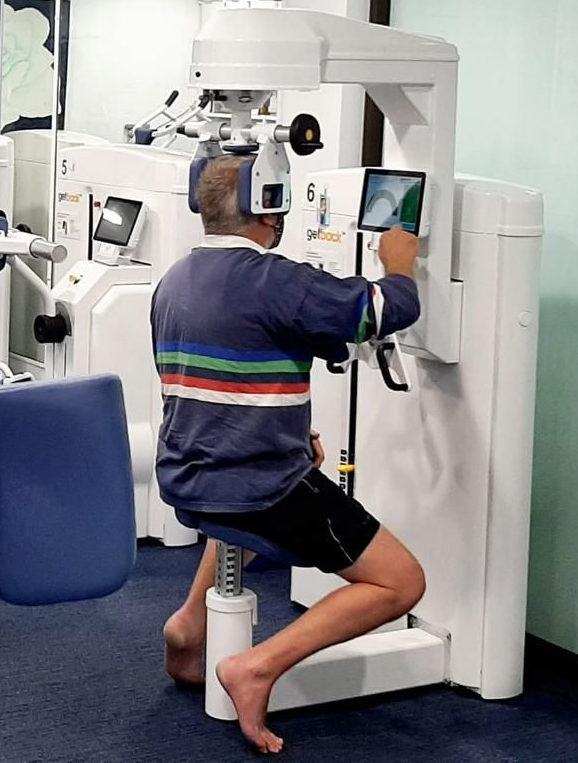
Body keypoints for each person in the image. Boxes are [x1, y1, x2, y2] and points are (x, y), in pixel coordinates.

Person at [153, 154, 426, 754]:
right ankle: (256, 666)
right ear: (268, 208)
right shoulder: (277, 280)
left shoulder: (173, 279)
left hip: (187, 472)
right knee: (401, 582)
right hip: (256, 486)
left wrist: (290, 435)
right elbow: (385, 311)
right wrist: (398, 265)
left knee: (296, 471)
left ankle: (189, 622)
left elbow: (216, 375)